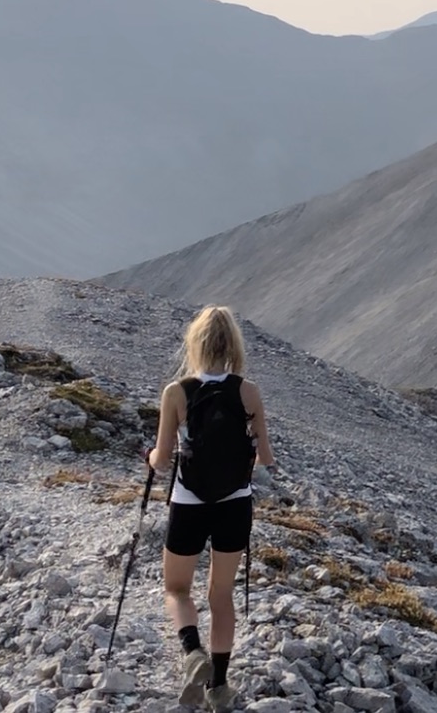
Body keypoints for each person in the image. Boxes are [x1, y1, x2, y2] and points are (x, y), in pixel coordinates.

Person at [145, 305, 278, 711]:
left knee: (176, 588)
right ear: (233, 345)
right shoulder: (247, 391)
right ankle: (218, 689)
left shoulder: (176, 392)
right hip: (234, 505)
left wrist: (151, 455)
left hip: (189, 503)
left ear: (195, 344)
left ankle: (192, 653)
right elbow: (266, 458)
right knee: (221, 595)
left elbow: (163, 458)